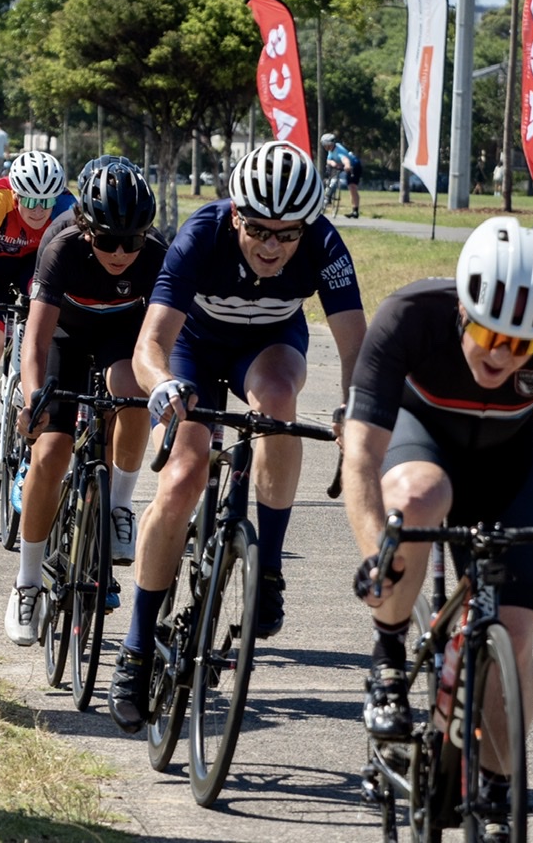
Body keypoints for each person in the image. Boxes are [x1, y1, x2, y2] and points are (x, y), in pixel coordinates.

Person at [343, 217, 533, 842]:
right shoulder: (410, 316)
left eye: (523, 345)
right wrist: (377, 553)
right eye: (489, 333)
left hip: (506, 466)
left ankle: (496, 787)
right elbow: (361, 459)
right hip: (424, 447)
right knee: (419, 497)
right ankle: (390, 656)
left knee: (516, 639)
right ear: (464, 309)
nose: (502, 354)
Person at [110, 139, 367, 734]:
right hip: (192, 348)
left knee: (278, 403)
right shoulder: (201, 236)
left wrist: (354, 410)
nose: (272, 246)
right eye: (259, 231)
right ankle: (137, 647)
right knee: (181, 476)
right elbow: (149, 345)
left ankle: (268, 567)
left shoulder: (326, 245)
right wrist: (163, 389)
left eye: (288, 234)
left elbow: (357, 347)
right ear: (235, 217)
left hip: (269, 346)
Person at [4, 159, 164, 648]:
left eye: (132, 241)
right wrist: (34, 398)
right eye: (108, 240)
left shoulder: (158, 254)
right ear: (84, 227)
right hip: (65, 336)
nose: (121, 252)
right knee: (50, 452)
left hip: (121, 336)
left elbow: (167, 335)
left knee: (133, 397)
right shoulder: (61, 247)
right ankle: (27, 583)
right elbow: (35, 338)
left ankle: (118, 506)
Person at [0, 150, 75, 502]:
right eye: (31, 201)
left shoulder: (68, 208)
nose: (39, 210)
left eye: (47, 201)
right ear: (16, 195)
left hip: (33, 273)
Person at [321, 132, 363, 219]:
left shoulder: (339, 151)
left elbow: (345, 159)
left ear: (331, 144)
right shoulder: (332, 149)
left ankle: (355, 211)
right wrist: (334, 163)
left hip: (354, 166)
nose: (325, 147)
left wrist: (347, 166)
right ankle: (328, 198)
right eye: (324, 145)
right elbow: (329, 160)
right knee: (335, 181)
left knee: (352, 187)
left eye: (326, 145)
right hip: (343, 166)